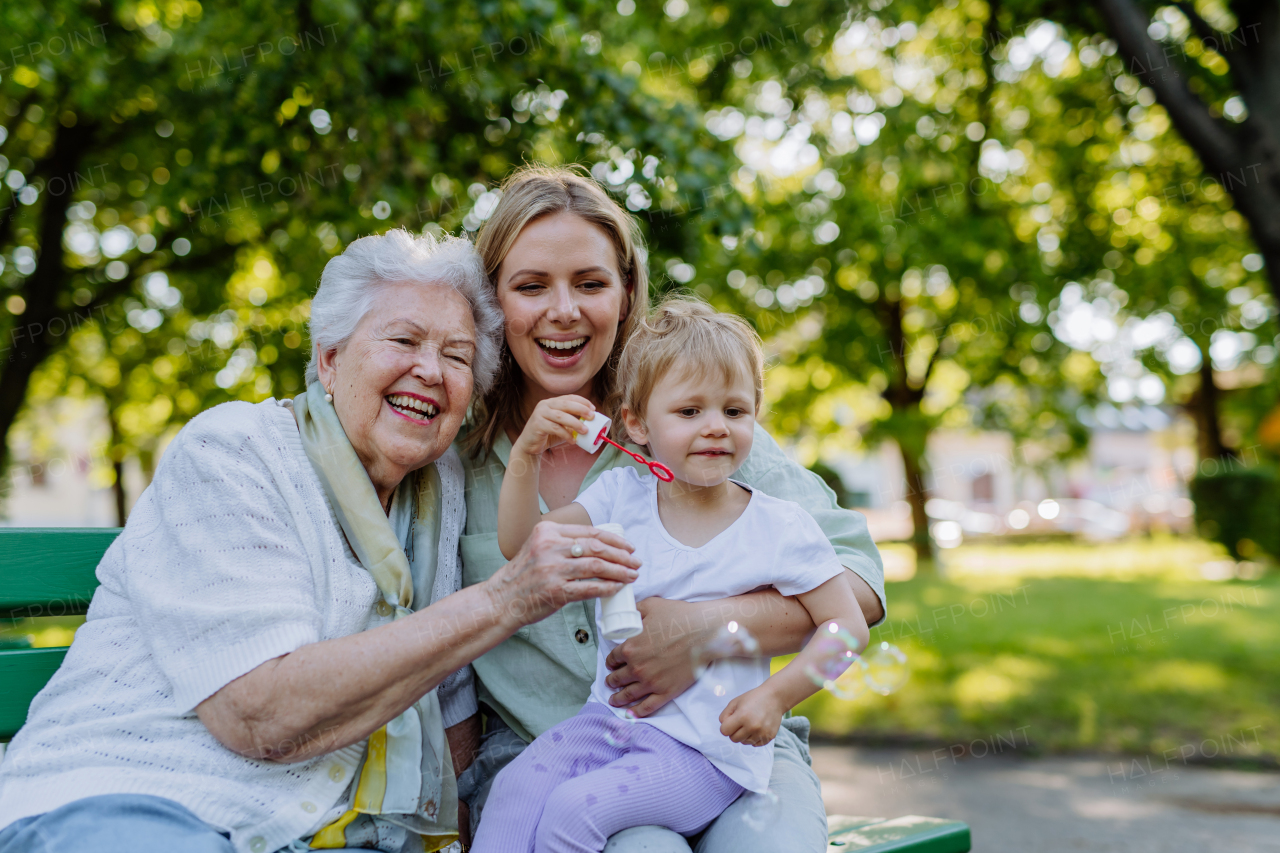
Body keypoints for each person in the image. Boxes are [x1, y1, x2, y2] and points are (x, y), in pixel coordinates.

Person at [0, 229, 641, 853]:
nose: (430, 370)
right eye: (404, 340)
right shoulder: (235, 453)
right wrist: (504, 600)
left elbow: (450, 714)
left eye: (457, 355)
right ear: (330, 359)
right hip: (146, 806)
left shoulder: (440, 490)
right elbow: (257, 715)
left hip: (334, 835)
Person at [456, 165, 887, 852]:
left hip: (728, 747)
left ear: (626, 294)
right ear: (492, 301)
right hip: (573, 747)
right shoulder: (457, 457)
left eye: (591, 283)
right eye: (531, 285)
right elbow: (520, 551)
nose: (563, 310)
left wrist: (710, 632)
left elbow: (857, 594)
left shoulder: (710, 432)